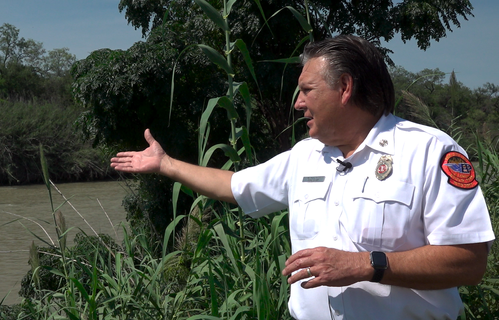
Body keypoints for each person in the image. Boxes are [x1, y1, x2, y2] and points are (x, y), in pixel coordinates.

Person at [110, 35, 495, 319]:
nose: (297, 103)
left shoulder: (429, 151)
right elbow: (233, 185)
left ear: (345, 88)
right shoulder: (305, 156)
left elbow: (469, 262)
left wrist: (365, 264)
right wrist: (165, 165)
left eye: (307, 90)